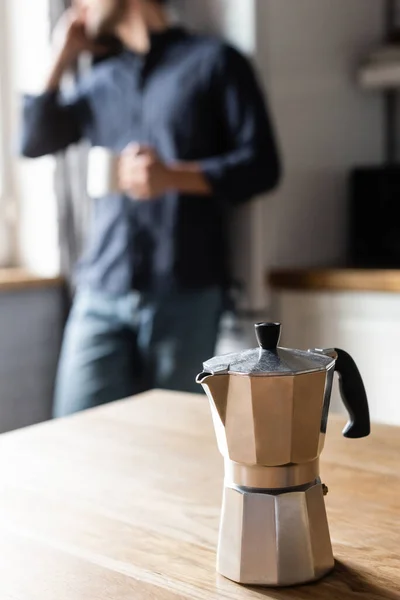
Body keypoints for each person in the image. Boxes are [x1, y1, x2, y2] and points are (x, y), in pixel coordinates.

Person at [21, 0, 281, 417]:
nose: (78, 5)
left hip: (187, 289)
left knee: (171, 439)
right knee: (75, 438)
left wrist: (172, 177)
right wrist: (62, 54)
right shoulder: (100, 79)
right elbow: (32, 140)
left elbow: (263, 167)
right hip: (101, 287)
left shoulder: (216, 61)